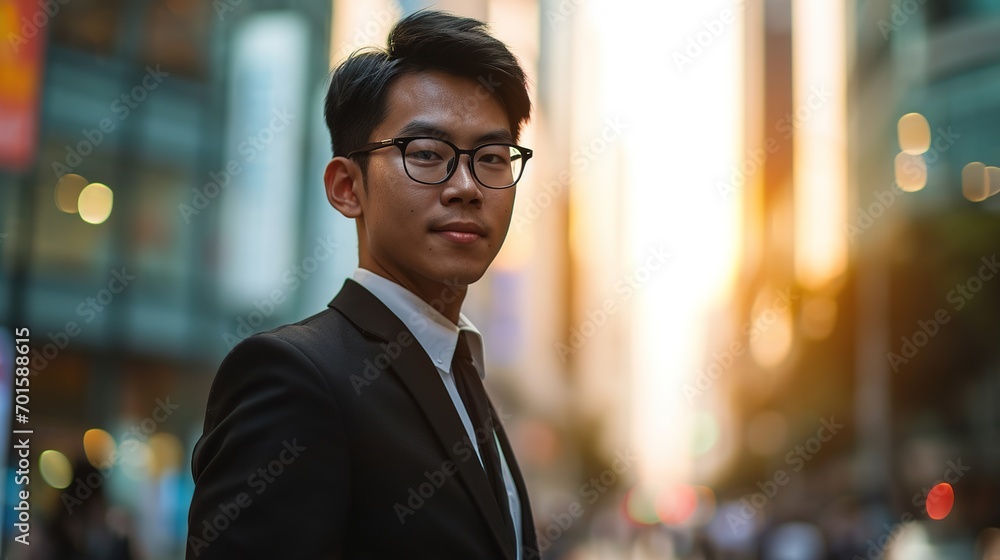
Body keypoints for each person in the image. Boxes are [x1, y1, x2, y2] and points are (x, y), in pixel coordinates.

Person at [186, 10, 539, 559]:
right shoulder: (293, 377)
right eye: (427, 154)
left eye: (492, 158)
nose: (467, 186)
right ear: (347, 187)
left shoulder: (461, 371)